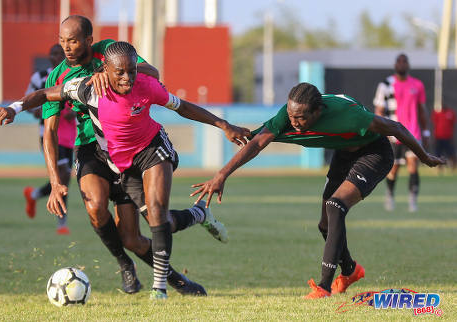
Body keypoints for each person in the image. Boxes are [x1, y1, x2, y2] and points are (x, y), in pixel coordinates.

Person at [0, 15, 228, 296]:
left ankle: (192, 226)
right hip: (91, 147)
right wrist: (54, 182)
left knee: (139, 231)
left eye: (73, 40)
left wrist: (111, 69)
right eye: (62, 41)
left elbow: (150, 72)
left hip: (129, 150)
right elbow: (49, 131)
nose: (66, 47)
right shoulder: (60, 77)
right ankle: (128, 265)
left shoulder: (111, 50)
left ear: (89, 40)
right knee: (95, 206)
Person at [191, 83, 444, 299]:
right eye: (291, 116)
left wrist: (424, 157)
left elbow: (397, 128)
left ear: (318, 110)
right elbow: (257, 143)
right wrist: (221, 175)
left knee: (336, 205)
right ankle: (350, 270)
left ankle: (323, 287)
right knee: (325, 225)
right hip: (345, 153)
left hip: (373, 153)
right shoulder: (288, 114)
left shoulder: (349, 116)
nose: (293, 122)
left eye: (300, 118)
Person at [22, 44, 76, 235]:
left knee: (65, 178)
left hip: (70, 134)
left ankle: (34, 194)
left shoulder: (75, 74)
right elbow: (28, 101)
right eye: (53, 53)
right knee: (61, 173)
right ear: (49, 56)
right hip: (49, 133)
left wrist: (74, 114)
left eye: (60, 53)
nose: (57, 56)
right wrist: (37, 111)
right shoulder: (39, 77)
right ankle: (62, 223)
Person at [373, 54, 431, 212]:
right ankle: (390, 194)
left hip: (413, 133)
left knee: (413, 166)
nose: (402, 64)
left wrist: (426, 132)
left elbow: (421, 110)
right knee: (393, 168)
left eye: (405, 61)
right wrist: (380, 131)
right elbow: (379, 110)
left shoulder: (417, 85)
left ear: (408, 65)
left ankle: (413, 200)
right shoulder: (386, 85)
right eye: (399, 61)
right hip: (393, 133)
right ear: (395, 65)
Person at [431, 104, 456, 171]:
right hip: (439, 137)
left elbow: (453, 124)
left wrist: (452, 137)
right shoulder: (437, 113)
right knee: (438, 153)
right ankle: (440, 168)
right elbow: (434, 124)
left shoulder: (451, 113)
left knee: (451, 152)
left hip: (448, 137)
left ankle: (454, 166)